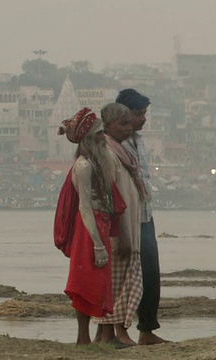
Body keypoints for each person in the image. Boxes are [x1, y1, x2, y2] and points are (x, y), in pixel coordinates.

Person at [53, 107, 125, 345]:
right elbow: (84, 207)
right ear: (87, 139)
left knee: (97, 281)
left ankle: (87, 337)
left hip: (100, 224)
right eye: (98, 135)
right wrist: (97, 245)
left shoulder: (101, 162)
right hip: (88, 227)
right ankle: (82, 337)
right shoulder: (83, 166)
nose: (103, 138)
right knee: (83, 283)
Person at [116, 89, 169, 345]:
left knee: (150, 274)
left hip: (146, 215)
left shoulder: (138, 141)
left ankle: (147, 330)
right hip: (126, 219)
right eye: (139, 114)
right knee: (125, 277)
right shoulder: (114, 144)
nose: (143, 119)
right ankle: (118, 331)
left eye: (144, 114)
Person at [94, 103, 145, 346]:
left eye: (128, 122)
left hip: (129, 228)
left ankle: (111, 335)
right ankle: (115, 334)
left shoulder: (123, 151)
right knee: (116, 284)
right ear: (108, 126)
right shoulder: (106, 152)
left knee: (123, 281)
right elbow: (109, 197)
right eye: (123, 124)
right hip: (118, 232)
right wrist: (122, 232)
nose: (128, 128)